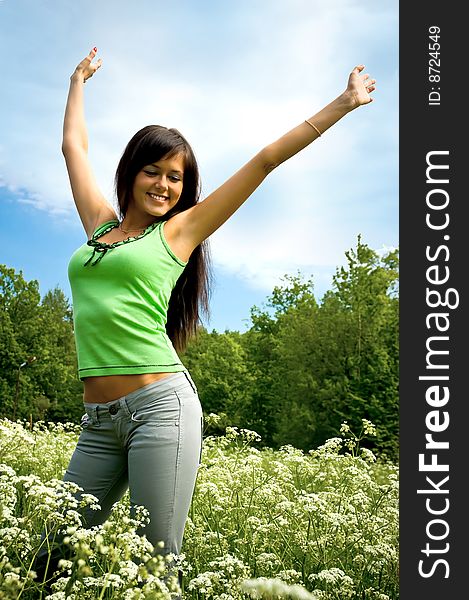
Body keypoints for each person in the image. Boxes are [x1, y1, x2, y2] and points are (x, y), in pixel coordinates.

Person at [34, 47, 376, 595]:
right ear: (132, 172)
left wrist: (344, 102)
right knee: (47, 557)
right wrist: (76, 81)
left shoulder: (178, 234)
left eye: (176, 178)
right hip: (97, 423)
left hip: (160, 410)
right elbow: (72, 147)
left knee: (153, 568)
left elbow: (264, 160)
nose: (164, 186)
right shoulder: (99, 228)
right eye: (154, 171)